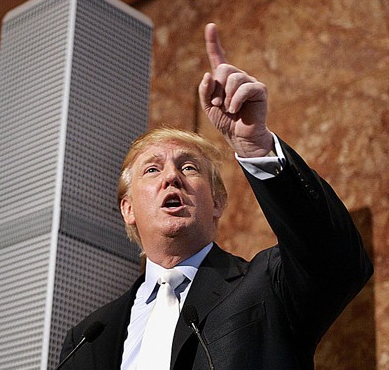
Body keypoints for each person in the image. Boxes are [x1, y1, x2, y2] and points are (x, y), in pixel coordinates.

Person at [58, 23, 373, 369]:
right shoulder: (88, 338)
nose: (172, 177)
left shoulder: (268, 287)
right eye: (152, 169)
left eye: (189, 167)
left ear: (218, 203)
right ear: (128, 209)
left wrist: (256, 146)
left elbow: (337, 261)